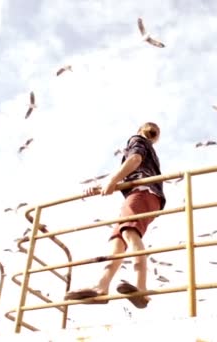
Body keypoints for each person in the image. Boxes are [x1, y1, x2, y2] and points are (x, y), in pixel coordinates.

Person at [64, 122, 166, 309]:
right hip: (148, 196)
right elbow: (130, 171)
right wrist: (103, 184)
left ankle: (141, 288)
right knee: (118, 240)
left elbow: (134, 160)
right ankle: (101, 287)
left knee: (129, 232)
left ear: (139, 131)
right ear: (156, 137)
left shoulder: (137, 141)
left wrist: (111, 181)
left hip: (141, 193)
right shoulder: (151, 152)